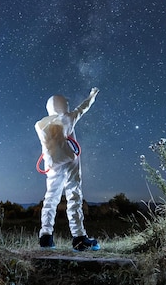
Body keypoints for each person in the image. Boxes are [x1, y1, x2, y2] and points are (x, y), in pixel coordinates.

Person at [35, 87, 100, 251]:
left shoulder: (43, 126)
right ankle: (79, 238)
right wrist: (92, 96)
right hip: (70, 163)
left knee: (50, 198)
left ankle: (45, 237)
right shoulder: (68, 118)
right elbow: (83, 108)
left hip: (51, 165)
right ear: (62, 105)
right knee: (74, 196)